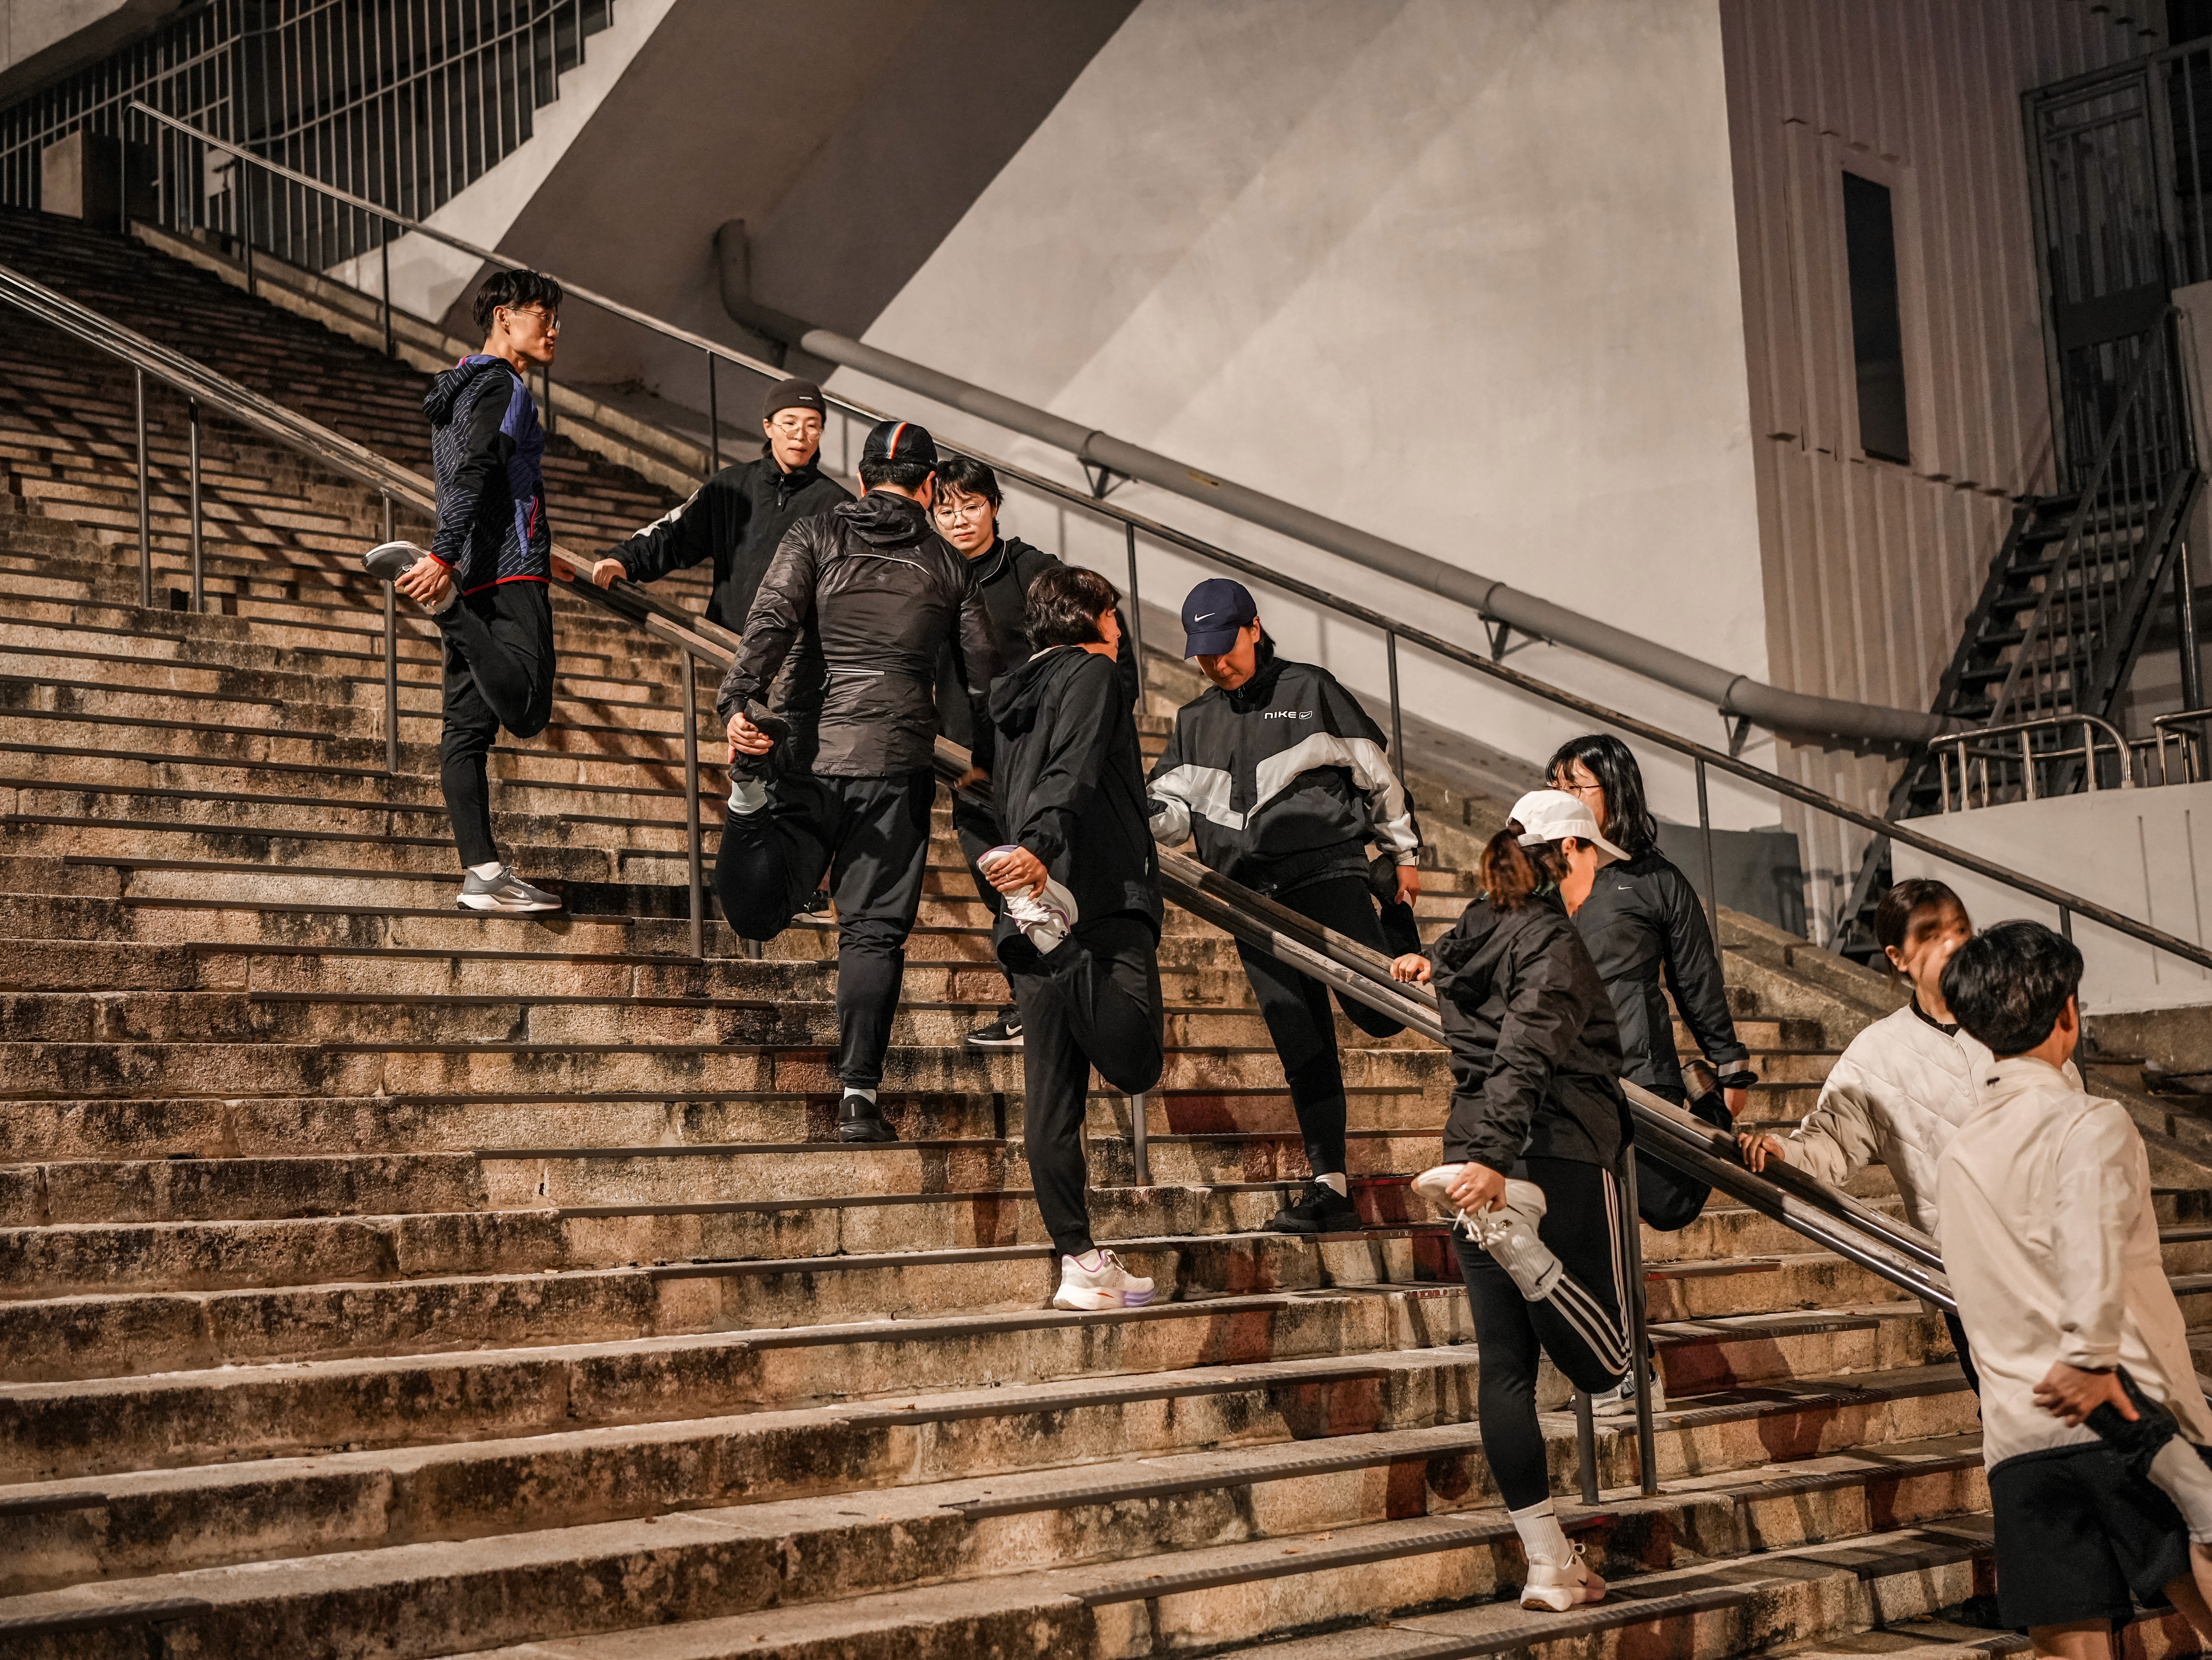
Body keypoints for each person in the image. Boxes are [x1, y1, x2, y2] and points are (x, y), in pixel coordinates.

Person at [711, 419, 997, 1143]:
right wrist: (986, 758)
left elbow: (770, 620)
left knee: (760, 909)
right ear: (929, 488)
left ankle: (745, 795)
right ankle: (858, 1097)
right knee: (872, 933)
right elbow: (983, 678)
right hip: (896, 768)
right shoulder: (948, 563)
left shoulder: (814, 533)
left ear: (863, 477)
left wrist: (738, 699)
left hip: (807, 754)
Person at [1937, 921, 2212, 1656]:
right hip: (2124, 1413)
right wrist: (2089, 1355)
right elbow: (2089, 1240)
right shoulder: (2089, 1120)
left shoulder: (1956, 1152)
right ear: (2066, 1013)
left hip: (2018, 1436)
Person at [1391, 788, 1632, 1613]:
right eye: (1593, 855)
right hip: (1544, 1157)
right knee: (1607, 1364)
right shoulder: (1552, 940)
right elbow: (1528, 1046)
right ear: (1567, 857)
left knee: (1505, 1370)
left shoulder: (1475, 926)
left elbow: (1462, 972)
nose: (1597, 874)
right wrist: (1499, 1160)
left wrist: (1424, 960)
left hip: (1470, 1160)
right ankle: (1525, 1250)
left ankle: (1548, 1563)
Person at [1147, 578, 1423, 1235]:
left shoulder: (1310, 689)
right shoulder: (1193, 722)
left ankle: (1406, 933)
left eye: (1225, 646)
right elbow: (1173, 815)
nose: (1216, 663)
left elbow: (1377, 774)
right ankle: (1330, 1186)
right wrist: (1139, 812)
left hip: (1325, 872)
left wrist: (1403, 853)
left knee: (1380, 1015)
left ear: (1254, 628)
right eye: (1203, 653)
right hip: (1247, 900)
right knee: (1300, 1043)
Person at [1738, 878, 2084, 1395]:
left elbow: (2073, 1119)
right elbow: (1831, 1143)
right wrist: (1781, 1151)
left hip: (2057, 1256)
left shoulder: (2016, 1016)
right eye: (1930, 934)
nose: (1952, 943)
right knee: (2011, 1411)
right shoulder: (1876, 1053)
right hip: (1967, 1272)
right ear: (1897, 957)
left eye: (1960, 928)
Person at [1548, 734, 1752, 1414]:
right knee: (1592, 1228)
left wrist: (1728, 1064)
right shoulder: (1542, 876)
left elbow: (1696, 980)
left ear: (1614, 791)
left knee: (1666, 1205)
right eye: (1555, 784)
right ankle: (1625, 1367)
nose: (1562, 795)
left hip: (1641, 1076)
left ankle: (1707, 1112)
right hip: (1566, 1084)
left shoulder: (1654, 880)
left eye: (1576, 784)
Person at [980, 564, 1164, 1311]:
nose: (1120, 631)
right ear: (1090, 618)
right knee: (1136, 1059)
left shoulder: (1014, 695)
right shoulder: (1091, 672)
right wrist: (1044, 845)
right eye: (1113, 615)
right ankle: (1059, 943)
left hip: (1029, 904)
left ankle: (1079, 1260)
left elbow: (1013, 786)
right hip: (1093, 898)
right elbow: (1074, 765)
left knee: (1052, 1099)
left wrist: (1023, 866)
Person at [363, 268, 567, 913]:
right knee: (527, 710)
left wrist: (462, 555)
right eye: (543, 316)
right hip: (504, 572)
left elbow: (478, 479)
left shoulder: (459, 388)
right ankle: (447, 612)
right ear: (505, 317)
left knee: (465, 732)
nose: (554, 330)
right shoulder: (505, 386)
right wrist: (444, 559)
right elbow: (478, 469)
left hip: (479, 569)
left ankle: (482, 873)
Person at [929, 454, 1140, 1052]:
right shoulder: (928, 574)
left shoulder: (1034, 573)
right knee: (1003, 891)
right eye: (946, 510)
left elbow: (1111, 646)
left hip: (1038, 765)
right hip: (970, 768)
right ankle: (1032, 1005)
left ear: (994, 506)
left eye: (972, 506)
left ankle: (1067, 1005)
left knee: (1047, 881)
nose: (960, 520)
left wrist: (1100, 722)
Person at [581, 378, 850, 632]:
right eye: (789, 423)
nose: (800, 435)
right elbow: (675, 535)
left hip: (792, 660)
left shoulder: (838, 505)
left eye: (812, 426)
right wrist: (625, 561)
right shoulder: (730, 486)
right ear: (768, 426)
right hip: (726, 648)